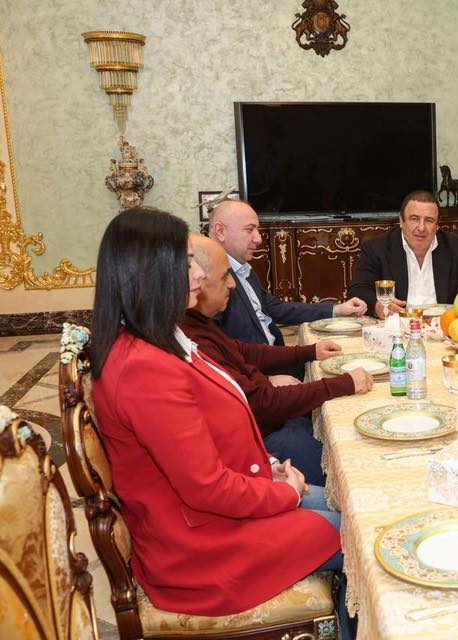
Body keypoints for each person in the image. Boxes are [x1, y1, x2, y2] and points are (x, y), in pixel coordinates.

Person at [89, 208, 343, 620]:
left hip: (223, 513)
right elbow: (206, 488)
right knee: (364, 536)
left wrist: (269, 468)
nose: (197, 274)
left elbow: (210, 439)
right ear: (150, 273)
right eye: (185, 262)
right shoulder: (142, 367)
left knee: (356, 510)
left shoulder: (162, 338)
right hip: (204, 550)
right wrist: (286, 492)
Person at [180, 235, 374, 486]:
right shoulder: (189, 334)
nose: (232, 283)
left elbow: (242, 352)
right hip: (265, 435)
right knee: (352, 465)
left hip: (267, 420)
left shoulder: (194, 320)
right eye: (225, 276)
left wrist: (309, 351)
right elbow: (263, 403)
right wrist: (343, 383)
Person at [210, 199, 367, 345]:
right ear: (220, 231)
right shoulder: (210, 280)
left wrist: (337, 309)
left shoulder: (242, 269)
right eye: (249, 230)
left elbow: (276, 308)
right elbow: (222, 350)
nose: (258, 239)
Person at [347, 190, 458, 318]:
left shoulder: (457, 248)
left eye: (429, 220)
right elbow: (358, 290)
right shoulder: (377, 248)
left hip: (444, 326)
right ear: (401, 220)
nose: (421, 228)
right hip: (397, 326)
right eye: (414, 219)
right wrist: (377, 306)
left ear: (437, 225)